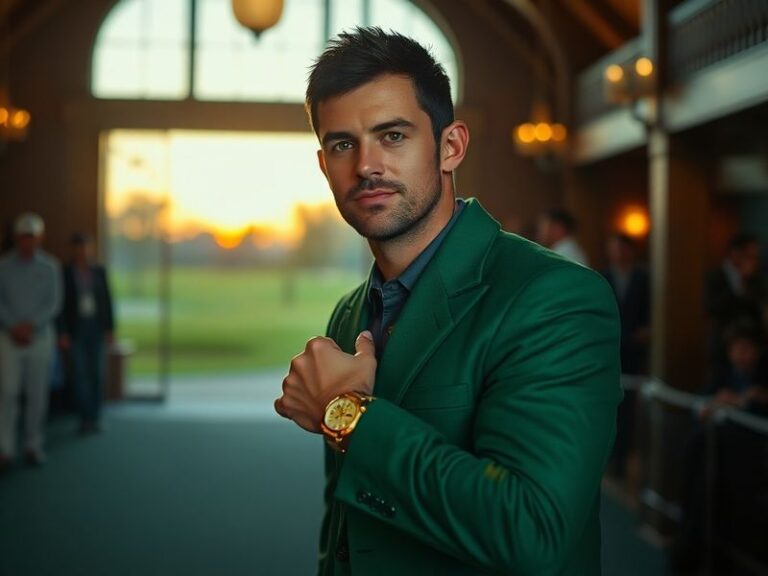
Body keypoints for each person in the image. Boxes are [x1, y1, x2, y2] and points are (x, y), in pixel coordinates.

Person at [274, 27, 621, 575]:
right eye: (343, 144)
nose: (365, 165)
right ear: (324, 166)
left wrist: (348, 417)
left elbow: (532, 531)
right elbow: (344, 531)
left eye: (392, 136)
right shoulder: (347, 313)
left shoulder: (555, 298)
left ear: (451, 146)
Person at [0, 212, 62, 470]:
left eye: (32, 237)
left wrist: (31, 325)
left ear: (40, 238)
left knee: (37, 393)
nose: (27, 242)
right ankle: (5, 449)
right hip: (8, 337)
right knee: (8, 392)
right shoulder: (3, 266)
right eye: (23, 237)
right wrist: (14, 326)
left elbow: (54, 303)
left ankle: (32, 444)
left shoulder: (50, 267)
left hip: (40, 338)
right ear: (16, 238)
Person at [601, 233, 650, 482]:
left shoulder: (643, 277)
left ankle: (623, 458)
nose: (618, 253)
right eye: (614, 248)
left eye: (622, 248)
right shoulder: (603, 276)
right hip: (609, 350)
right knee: (608, 407)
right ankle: (610, 457)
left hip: (633, 352)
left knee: (629, 409)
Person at [58, 233, 116, 434]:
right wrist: (63, 332)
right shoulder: (65, 273)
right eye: (79, 247)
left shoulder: (99, 271)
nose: (83, 252)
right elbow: (61, 306)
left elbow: (108, 301)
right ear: (74, 250)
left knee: (97, 374)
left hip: (96, 327)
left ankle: (95, 417)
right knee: (80, 374)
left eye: (86, 247)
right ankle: (84, 418)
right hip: (76, 329)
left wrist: (110, 328)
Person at [705, 232, 768, 370]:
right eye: (749, 256)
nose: (753, 261)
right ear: (735, 253)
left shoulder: (757, 279)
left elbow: (759, 308)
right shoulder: (715, 276)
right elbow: (712, 308)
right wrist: (740, 284)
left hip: (752, 347)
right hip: (722, 343)